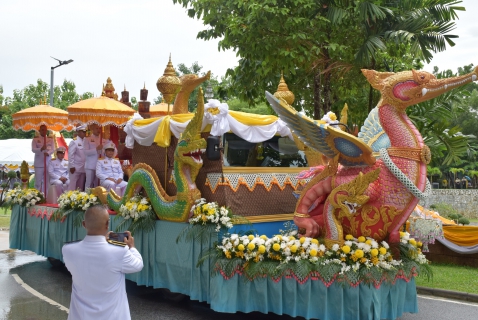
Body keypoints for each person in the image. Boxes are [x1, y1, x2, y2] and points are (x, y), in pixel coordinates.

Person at [62, 205, 143, 320]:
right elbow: (138, 265)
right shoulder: (119, 251)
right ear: (107, 225)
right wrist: (132, 247)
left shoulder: (68, 250)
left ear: (84, 224)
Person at [84, 123, 115, 189]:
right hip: (91, 165)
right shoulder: (87, 139)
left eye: (99, 128)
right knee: (89, 183)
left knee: (97, 185)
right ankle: (87, 198)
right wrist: (96, 149)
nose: (98, 130)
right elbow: (85, 152)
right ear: (92, 129)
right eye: (96, 128)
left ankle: (96, 198)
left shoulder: (103, 140)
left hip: (100, 165)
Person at [31, 124, 54, 192]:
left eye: (45, 130)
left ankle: (46, 196)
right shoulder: (35, 139)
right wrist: (41, 149)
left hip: (47, 163)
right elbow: (33, 149)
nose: (44, 131)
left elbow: (53, 149)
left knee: (47, 182)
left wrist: (48, 153)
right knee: (38, 182)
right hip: (39, 164)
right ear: (39, 131)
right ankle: (37, 197)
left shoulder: (50, 140)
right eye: (42, 130)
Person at [68, 125, 87, 191]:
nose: (84, 133)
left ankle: (78, 200)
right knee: (72, 186)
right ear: (78, 132)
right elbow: (71, 154)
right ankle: (69, 199)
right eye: (83, 132)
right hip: (75, 167)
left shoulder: (85, 141)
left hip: (83, 167)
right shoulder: (74, 141)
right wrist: (71, 166)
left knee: (80, 187)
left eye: (85, 132)